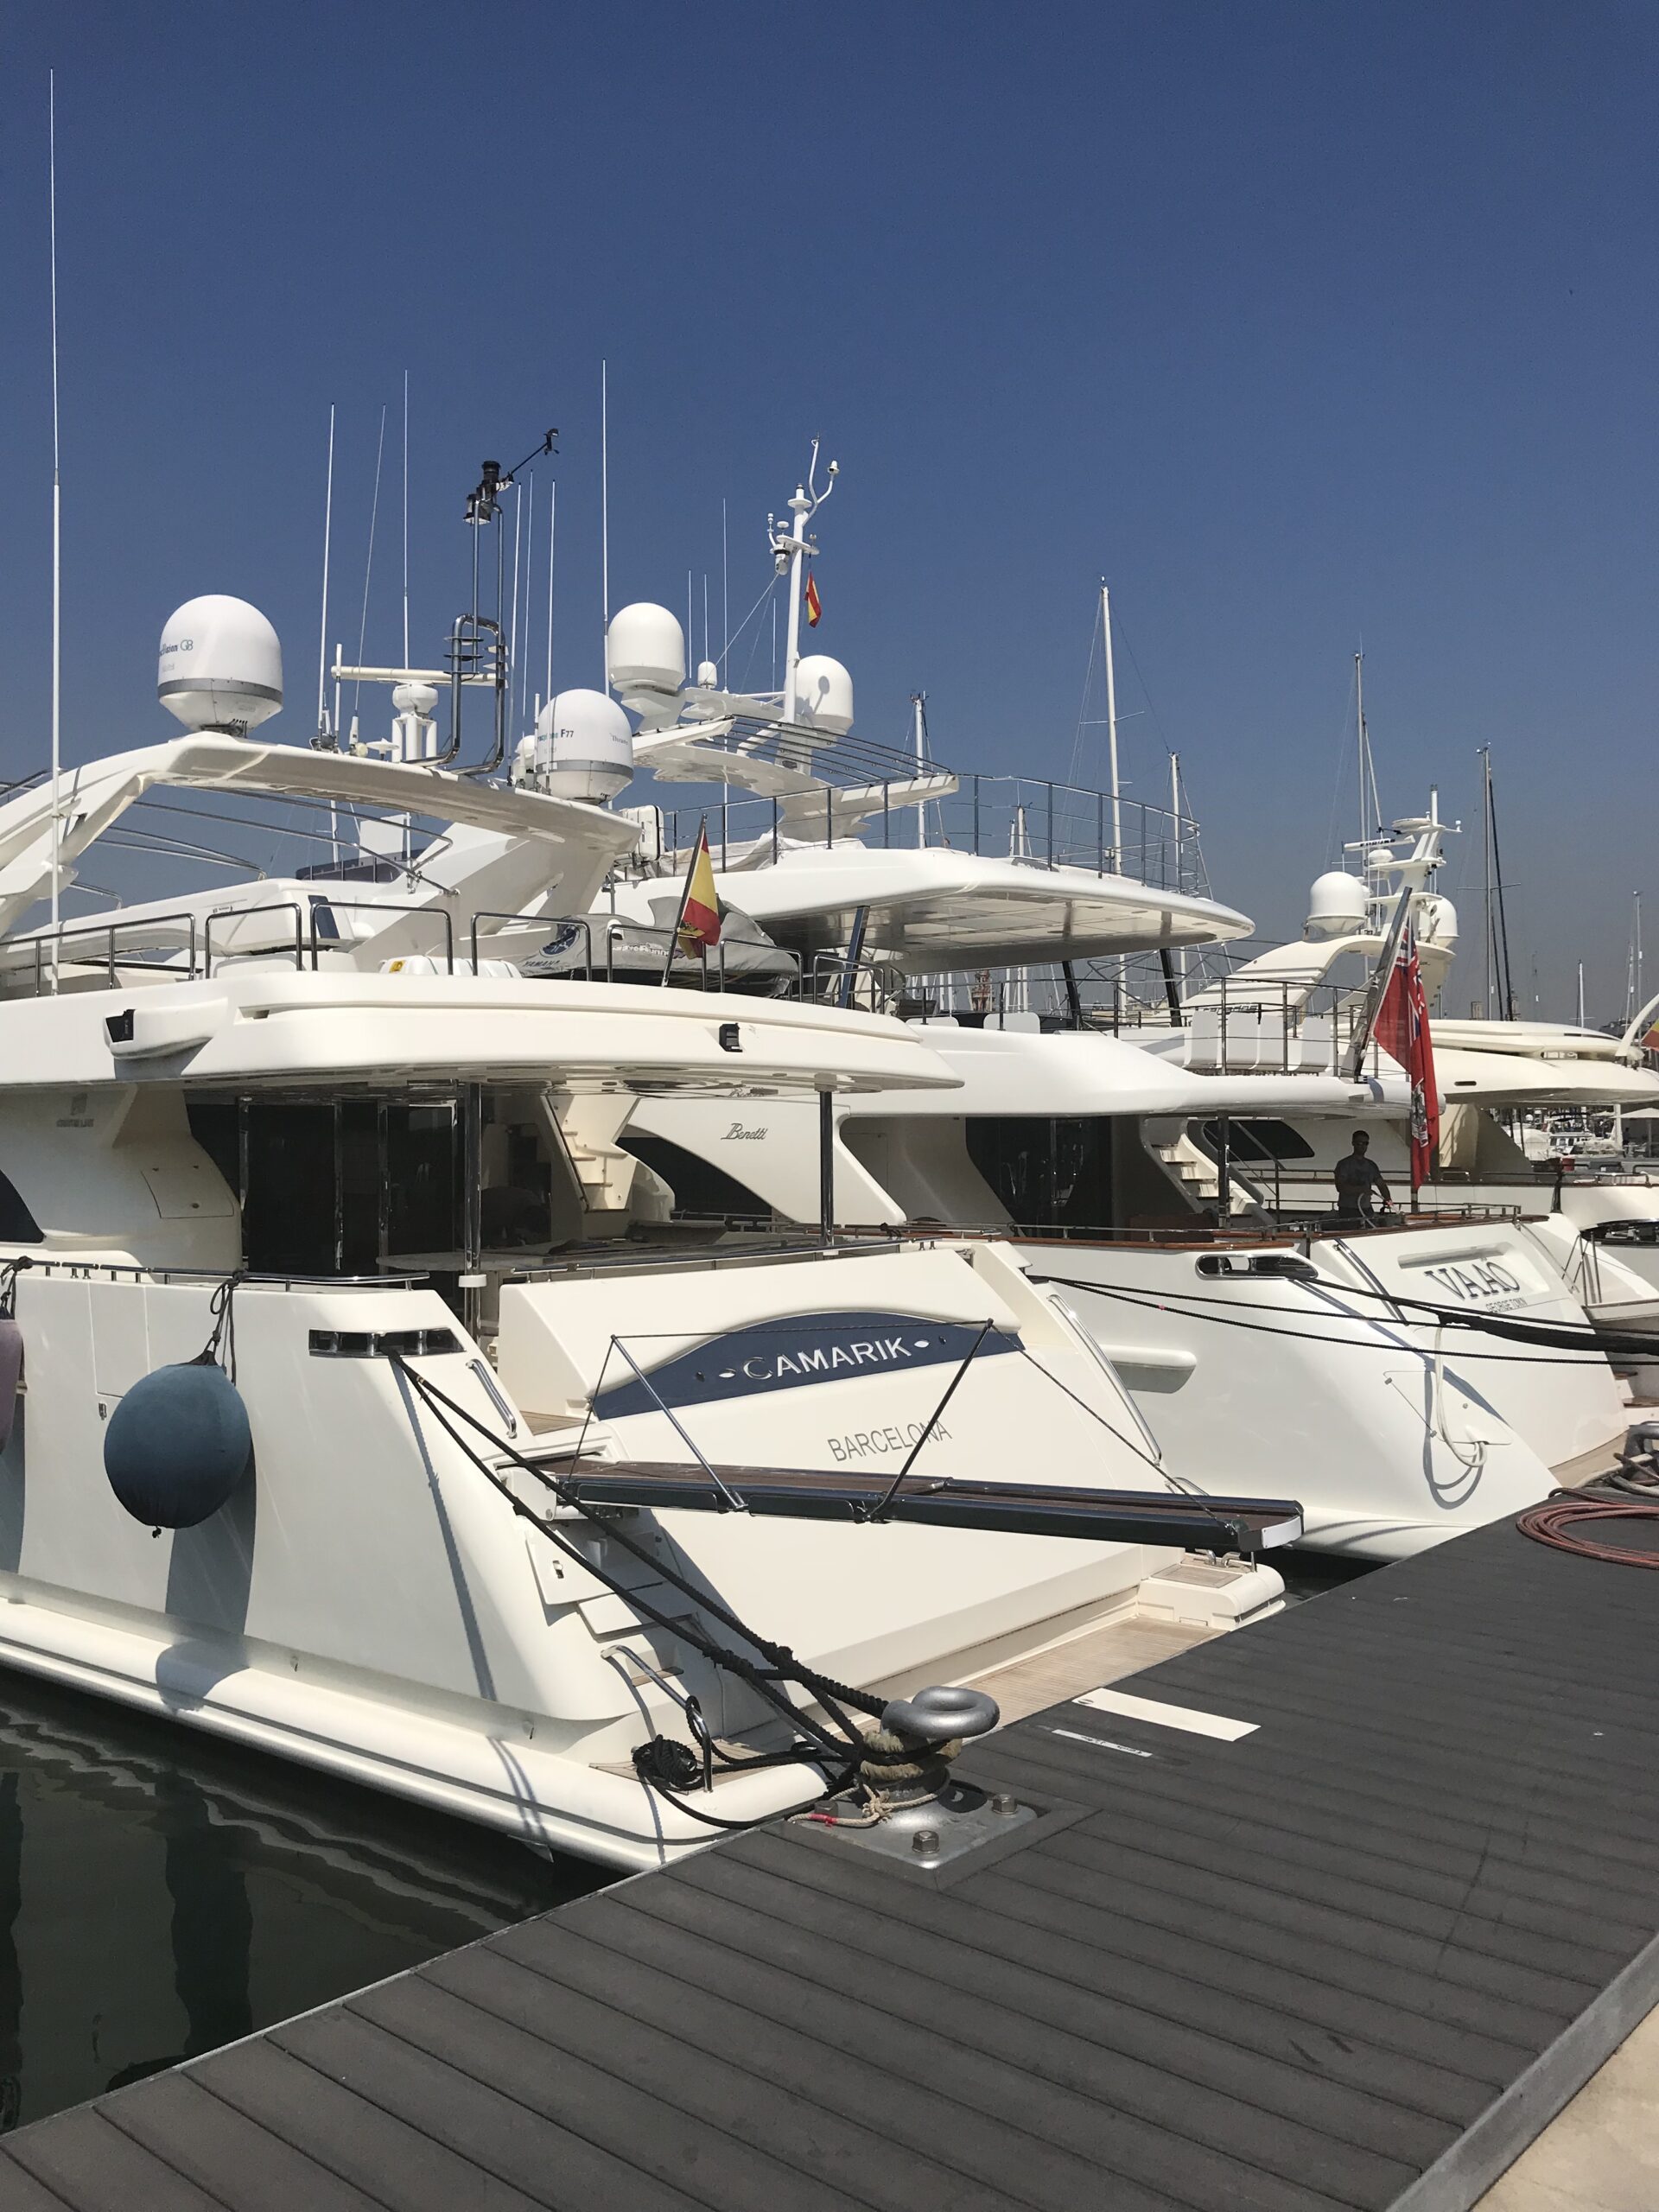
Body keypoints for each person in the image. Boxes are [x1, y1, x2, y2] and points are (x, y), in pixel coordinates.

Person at [1332, 1129, 1391, 1224]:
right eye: (1360, 1143)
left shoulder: (1371, 1165)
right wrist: (1361, 1189)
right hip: (1348, 1209)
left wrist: (1388, 1199)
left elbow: (1381, 1184)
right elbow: (1340, 1187)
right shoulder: (1344, 1164)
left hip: (1366, 1208)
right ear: (1353, 1143)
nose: (1363, 1146)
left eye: (1365, 1143)